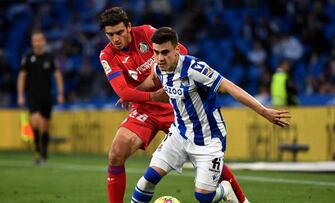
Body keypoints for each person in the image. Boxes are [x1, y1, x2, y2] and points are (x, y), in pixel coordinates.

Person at [99, 7, 248, 203]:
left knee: (206, 158)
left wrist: (159, 83)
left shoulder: (146, 33)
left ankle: (241, 199)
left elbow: (182, 52)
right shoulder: (107, 55)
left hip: (175, 106)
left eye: (119, 32)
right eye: (110, 35)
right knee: (116, 153)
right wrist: (153, 96)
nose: (116, 38)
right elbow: (124, 93)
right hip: (146, 107)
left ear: (129, 26)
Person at [130, 27, 290, 203]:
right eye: (156, 52)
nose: (160, 58)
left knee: (203, 197)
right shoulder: (159, 67)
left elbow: (230, 87)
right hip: (179, 133)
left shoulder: (195, 69)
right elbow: (153, 78)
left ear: (177, 50)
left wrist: (264, 111)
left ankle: (225, 191)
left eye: (165, 52)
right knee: (147, 180)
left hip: (208, 138)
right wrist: (133, 93)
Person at [17, 30, 64, 164]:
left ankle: (44, 153)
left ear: (43, 41)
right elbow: (21, 76)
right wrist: (20, 95)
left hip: (47, 96)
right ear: (32, 42)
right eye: (35, 40)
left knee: (45, 126)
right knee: (36, 121)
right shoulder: (27, 57)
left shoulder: (49, 57)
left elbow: (58, 75)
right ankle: (37, 151)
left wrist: (60, 93)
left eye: (39, 40)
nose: (37, 42)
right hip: (32, 96)